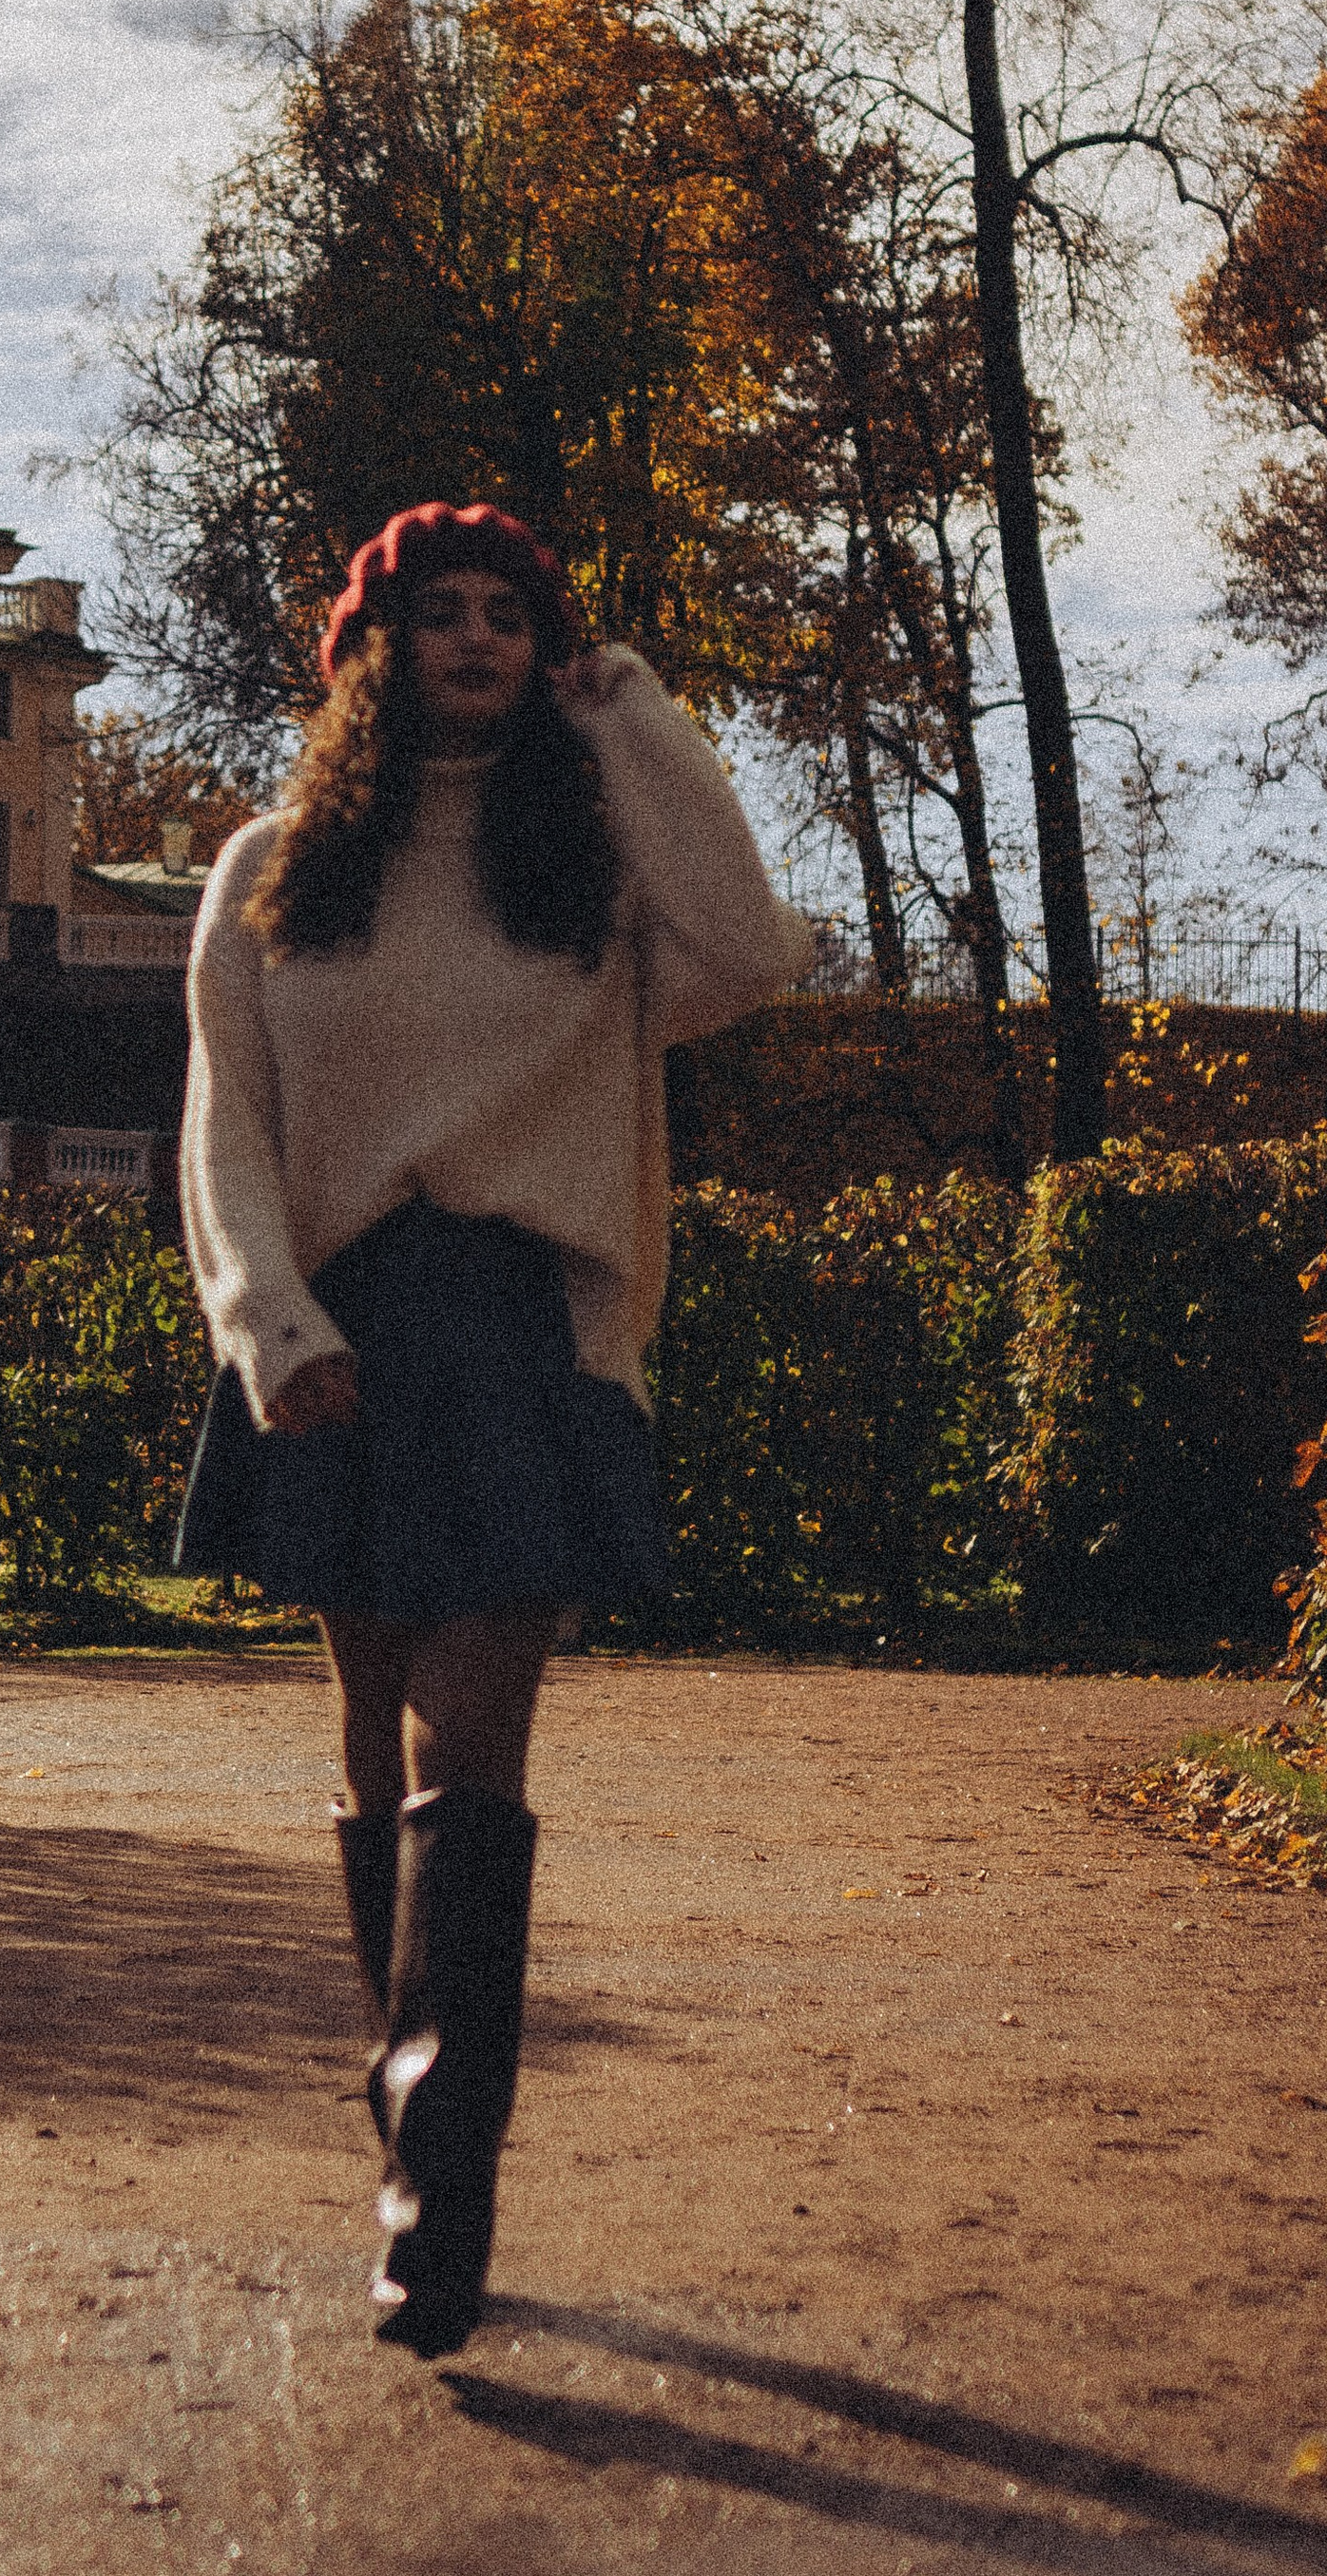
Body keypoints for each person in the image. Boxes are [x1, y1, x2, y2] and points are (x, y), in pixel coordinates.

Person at [174, 502, 811, 2357]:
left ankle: (435, 2197)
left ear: (545, 651)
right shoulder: (269, 869)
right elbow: (220, 1133)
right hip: (334, 1338)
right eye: (434, 615)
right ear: (370, 650)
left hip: (516, 1335)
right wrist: (263, 1325)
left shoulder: (597, 878)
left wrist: (635, 716)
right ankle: (402, 2074)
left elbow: (752, 946)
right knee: (374, 1747)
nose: (470, 642)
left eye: (506, 617)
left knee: (475, 1749)